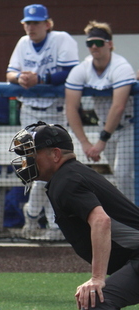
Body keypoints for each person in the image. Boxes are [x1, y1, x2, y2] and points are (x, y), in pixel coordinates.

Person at [9, 122, 139, 310]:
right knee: (101, 306)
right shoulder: (69, 177)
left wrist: (97, 278)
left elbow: (101, 222)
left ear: (55, 154)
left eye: (32, 154)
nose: (27, 161)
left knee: (98, 304)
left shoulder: (68, 180)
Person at [7, 4, 79, 239]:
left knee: (53, 168)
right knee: (36, 170)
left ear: (47, 24)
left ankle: (37, 216)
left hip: (55, 112)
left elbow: (71, 71)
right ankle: (49, 222)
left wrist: (41, 78)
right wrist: (20, 77)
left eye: (36, 22)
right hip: (29, 112)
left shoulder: (61, 39)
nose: (30, 27)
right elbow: (9, 73)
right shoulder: (22, 42)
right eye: (27, 23)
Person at [65, 21, 136, 202]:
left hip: (130, 126)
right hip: (105, 127)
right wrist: (85, 143)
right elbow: (71, 107)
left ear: (109, 44)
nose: (94, 47)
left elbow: (118, 106)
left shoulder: (121, 66)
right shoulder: (82, 69)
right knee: (120, 174)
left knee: (123, 174)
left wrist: (101, 141)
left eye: (99, 42)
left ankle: (133, 221)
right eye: (90, 43)